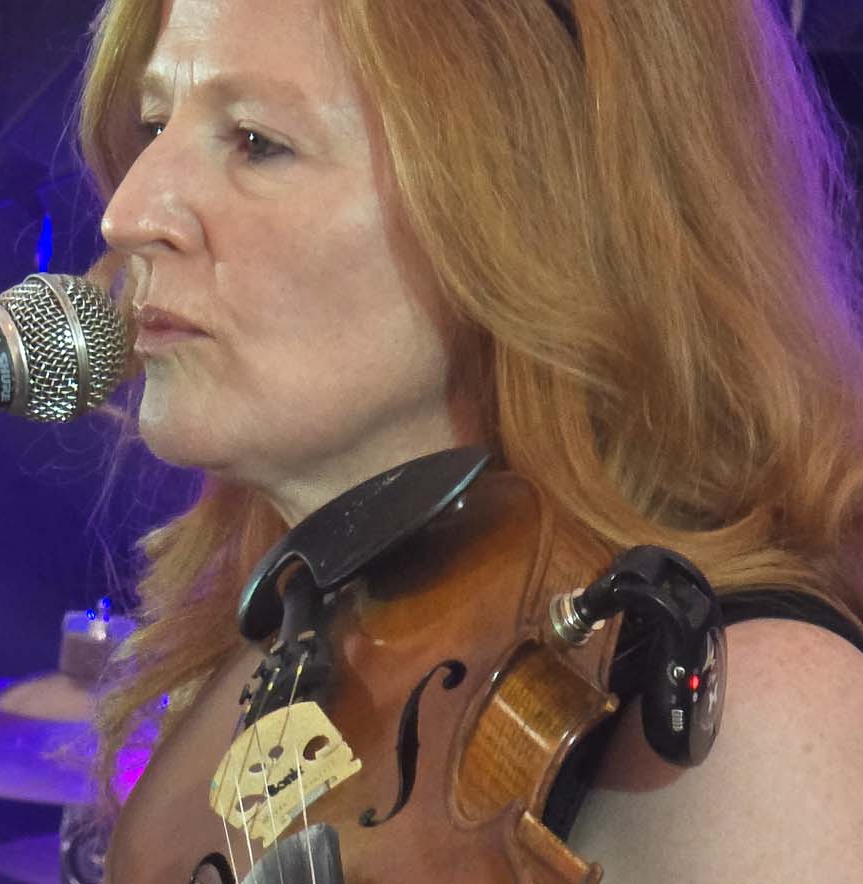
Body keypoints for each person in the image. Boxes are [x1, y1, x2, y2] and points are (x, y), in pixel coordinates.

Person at [76, 0, 863, 880]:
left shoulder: (755, 716)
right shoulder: (285, 647)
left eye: (257, 142)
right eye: (154, 124)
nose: (128, 212)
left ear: (534, 209)